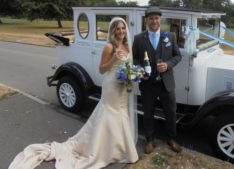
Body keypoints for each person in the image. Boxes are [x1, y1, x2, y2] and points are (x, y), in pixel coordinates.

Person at [9, 17, 139, 169]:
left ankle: (120, 148)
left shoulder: (127, 46)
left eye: (123, 28)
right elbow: (102, 69)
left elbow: (128, 65)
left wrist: (132, 75)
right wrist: (113, 59)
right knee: (110, 115)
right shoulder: (109, 47)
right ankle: (104, 150)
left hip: (122, 87)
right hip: (111, 86)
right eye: (117, 28)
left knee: (121, 114)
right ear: (112, 31)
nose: (121, 31)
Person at [132, 6, 182, 154]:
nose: (154, 21)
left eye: (156, 18)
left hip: (167, 83)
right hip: (148, 84)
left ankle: (172, 139)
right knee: (148, 112)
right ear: (146, 20)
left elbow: (178, 56)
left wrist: (167, 65)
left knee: (171, 112)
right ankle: (149, 140)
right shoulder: (139, 38)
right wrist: (141, 70)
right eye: (151, 18)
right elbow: (134, 58)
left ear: (160, 19)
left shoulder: (170, 36)